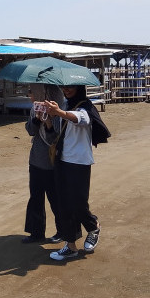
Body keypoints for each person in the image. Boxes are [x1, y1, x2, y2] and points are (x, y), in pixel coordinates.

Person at [44, 84, 109, 260]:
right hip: (62, 159)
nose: (67, 90)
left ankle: (93, 226)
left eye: (71, 87)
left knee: (78, 203)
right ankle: (70, 245)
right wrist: (48, 117)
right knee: (64, 205)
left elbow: (81, 119)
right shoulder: (64, 105)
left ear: (79, 88)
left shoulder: (85, 106)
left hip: (79, 161)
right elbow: (56, 132)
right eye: (64, 88)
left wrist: (59, 112)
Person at [21, 84, 65, 244]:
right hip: (36, 161)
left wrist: (49, 123)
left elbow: (57, 138)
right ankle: (36, 232)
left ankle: (63, 231)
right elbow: (30, 130)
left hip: (53, 163)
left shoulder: (58, 110)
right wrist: (37, 119)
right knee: (35, 198)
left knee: (56, 199)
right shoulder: (35, 109)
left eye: (31, 91)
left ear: (42, 92)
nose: (29, 94)